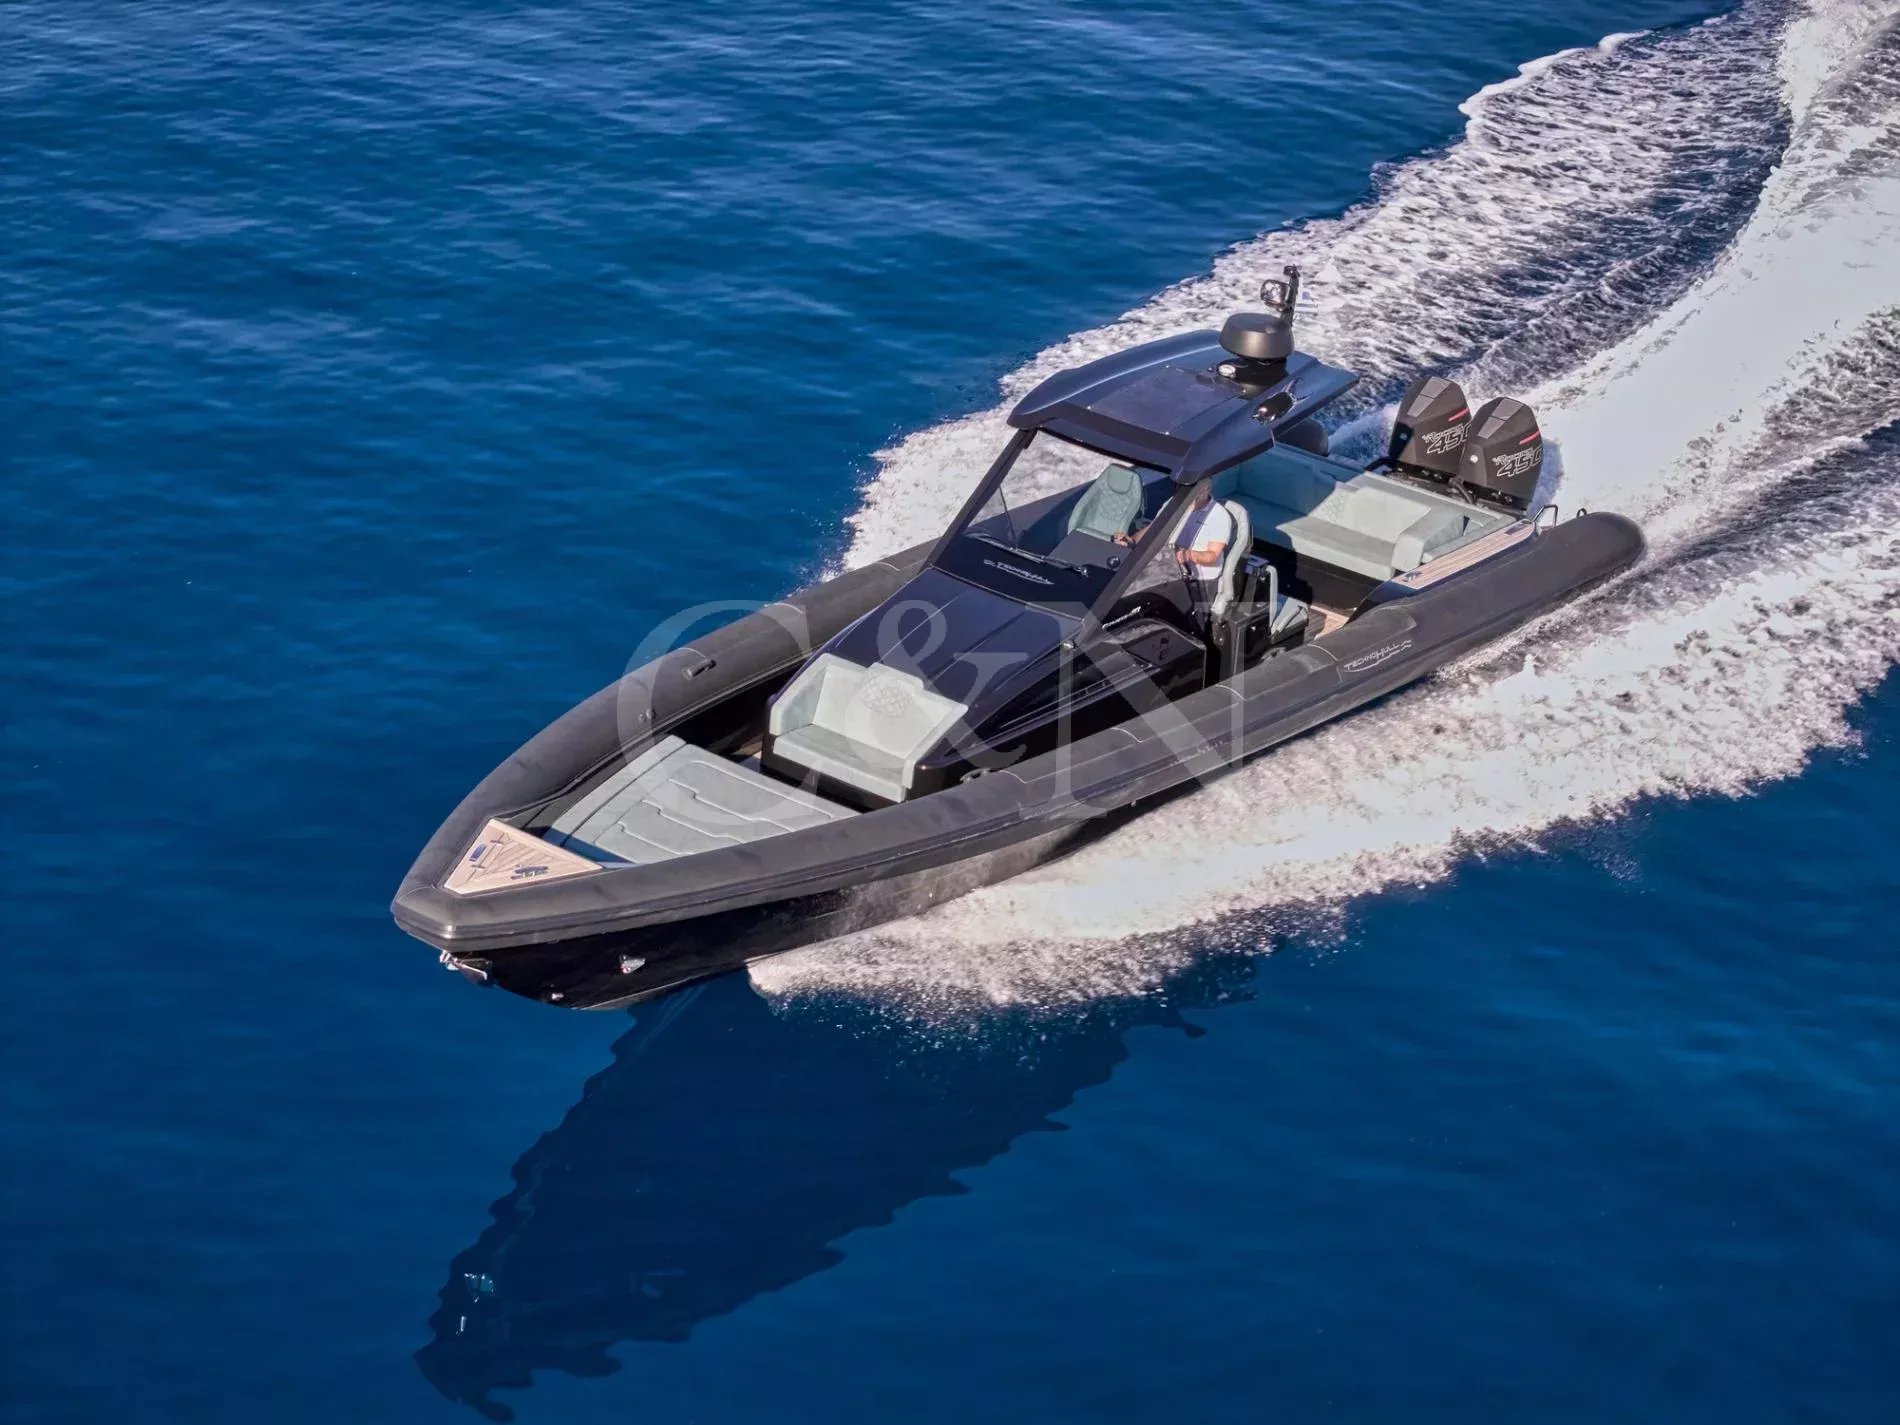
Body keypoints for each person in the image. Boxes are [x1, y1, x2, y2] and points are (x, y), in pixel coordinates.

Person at [1171, 479, 1232, 633]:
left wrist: (1188, 555)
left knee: (1191, 625)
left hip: (1201, 581)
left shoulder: (1219, 516)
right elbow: (1154, 528)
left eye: (1194, 490)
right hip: (1172, 570)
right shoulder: (1174, 504)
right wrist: (1133, 540)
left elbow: (1212, 556)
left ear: (1207, 490)